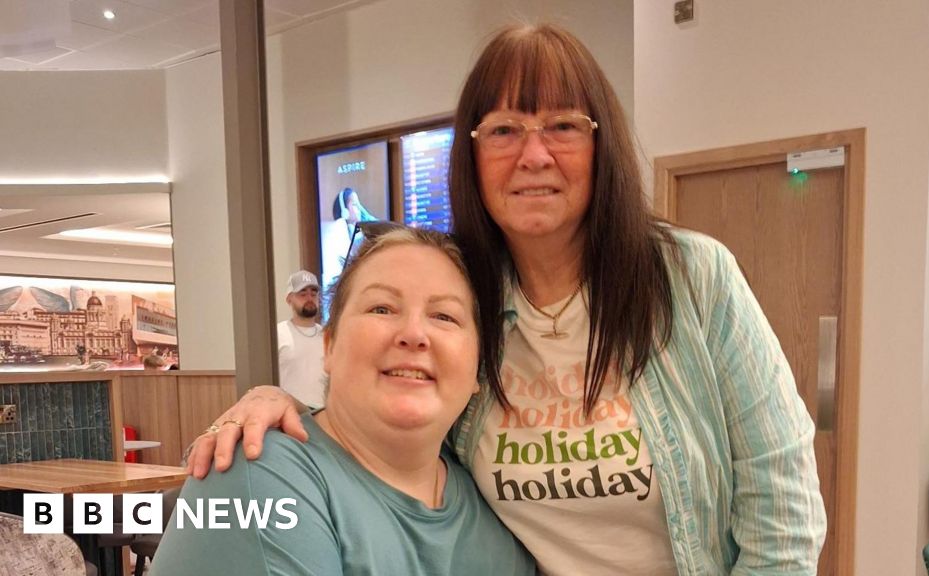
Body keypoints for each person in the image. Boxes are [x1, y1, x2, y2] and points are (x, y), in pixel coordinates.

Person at [189, 24, 826, 575]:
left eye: (563, 126)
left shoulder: (689, 277)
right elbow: (385, 415)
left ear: (601, 146)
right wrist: (285, 407)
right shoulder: (466, 295)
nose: (534, 154)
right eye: (503, 130)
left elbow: (782, 507)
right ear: (472, 154)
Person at [152, 228, 535, 576]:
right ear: (330, 346)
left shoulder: (493, 501)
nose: (414, 333)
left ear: (478, 368)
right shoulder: (257, 472)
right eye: (382, 308)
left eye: (444, 316)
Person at [277, 271, 326, 409]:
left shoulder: (328, 336)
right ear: (289, 299)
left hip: (323, 413)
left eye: (313, 294)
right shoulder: (278, 334)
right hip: (289, 413)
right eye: (302, 294)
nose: (309, 298)